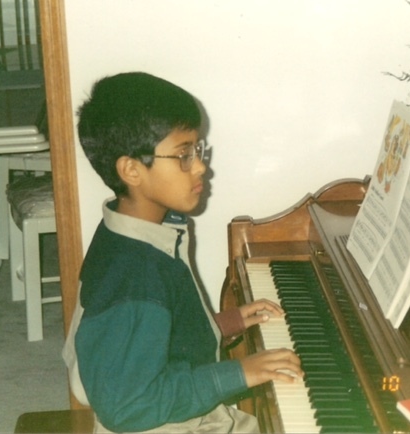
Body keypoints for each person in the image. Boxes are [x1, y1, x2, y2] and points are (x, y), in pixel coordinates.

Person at [62, 72, 302, 433]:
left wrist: (223, 324)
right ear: (131, 170)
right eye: (184, 155)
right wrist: (239, 373)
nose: (201, 165)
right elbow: (127, 407)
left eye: (198, 150)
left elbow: (147, 337)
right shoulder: (135, 275)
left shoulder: (132, 234)